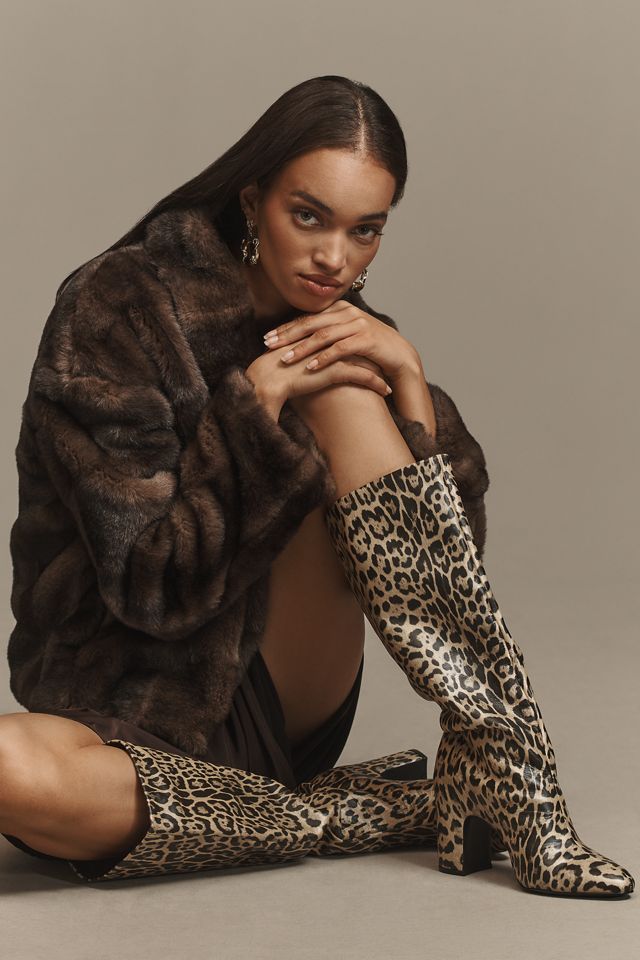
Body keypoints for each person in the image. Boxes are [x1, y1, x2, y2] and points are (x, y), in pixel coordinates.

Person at [0, 75, 633, 896]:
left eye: (365, 230)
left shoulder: (349, 337)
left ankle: (514, 774)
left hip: (283, 700)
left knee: (339, 386)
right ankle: (331, 816)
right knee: (11, 770)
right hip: (125, 703)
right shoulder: (119, 308)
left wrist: (410, 384)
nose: (336, 257)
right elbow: (148, 588)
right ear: (254, 201)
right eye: (309, 216)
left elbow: (444, 570)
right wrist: (252, 413)